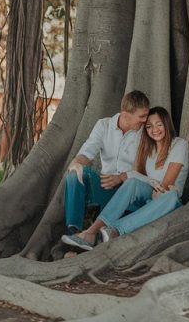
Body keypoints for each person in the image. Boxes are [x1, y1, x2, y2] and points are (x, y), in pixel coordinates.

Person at [62, 106, 188, 250]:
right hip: (148, 198)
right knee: (133, 182)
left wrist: (159, 189)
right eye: (149, 126)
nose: (155, 130)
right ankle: (91, 232)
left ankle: (115, 230)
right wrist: (140, 179)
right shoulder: (148, 149)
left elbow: (166, 185)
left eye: (159, 124)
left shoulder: (179, 144)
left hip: (165, 203)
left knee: (171, 196)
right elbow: (139, 177)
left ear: (166, 123)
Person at [63, 89, 150, 235]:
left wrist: (121, 177)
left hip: (130, 191)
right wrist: (77, 164)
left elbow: (146, 170)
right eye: (141, 116)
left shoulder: (146, 133)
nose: (145, 120)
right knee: (74, 174)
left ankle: (90, 233)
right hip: (106, 186)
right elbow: (85, 154)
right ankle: (74, 233)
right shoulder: (104, 125)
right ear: (125, 115)